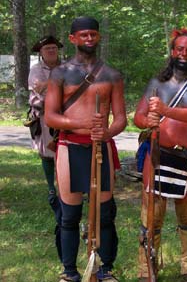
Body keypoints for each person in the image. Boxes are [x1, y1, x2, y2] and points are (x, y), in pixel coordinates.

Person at [45, 16, 127, 282]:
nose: (89, 39)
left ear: (98, 36)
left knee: (104, 214)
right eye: (83, 35)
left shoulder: (112, 74)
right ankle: (69, 271)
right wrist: (81, 122)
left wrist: (107, 131)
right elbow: (51, 116)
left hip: (100, 148)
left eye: (93, 34)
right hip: (70, 147)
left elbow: (121, 118)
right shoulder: (59, 74)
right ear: (73, 39)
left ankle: (105, 269)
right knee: (69, 215)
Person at [133, 28, 187, 282]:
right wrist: (150, 119)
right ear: (172, 52)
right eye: (180, 49)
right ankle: (147, 267)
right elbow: (138, 118)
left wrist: (166, 109)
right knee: (151, 217)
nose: (184, 54)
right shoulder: (156, 84)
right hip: (157, 156)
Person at [28, 35, 63, 259]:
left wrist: (48, 86)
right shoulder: (35, 70)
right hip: (44, 119)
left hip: (65, 116)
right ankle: (53, 191)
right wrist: (55, 87)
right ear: (41, 52)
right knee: (47, 154)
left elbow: (72, 86)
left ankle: (66, 191)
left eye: (53, 48)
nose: (50, 51)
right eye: (47, 48)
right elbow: (37, 93)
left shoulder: (66, 66)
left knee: (63, 153)